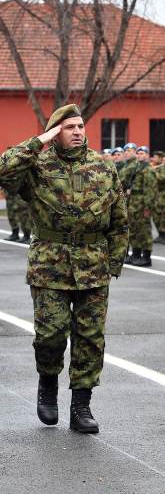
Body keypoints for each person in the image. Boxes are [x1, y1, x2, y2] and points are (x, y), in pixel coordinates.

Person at [0, 104, 129, 433]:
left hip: (93, 266)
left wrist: (114, 260)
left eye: (80, 126)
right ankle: (47, 386)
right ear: (56, 133)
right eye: (68, 127)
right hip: (50, 266)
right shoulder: (38, 167)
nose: (77, 132)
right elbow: (4, 169)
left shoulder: (102, 166)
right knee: (50, 335)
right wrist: (39, 141)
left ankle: (81, 406)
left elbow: (118, 218)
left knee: (90, 339)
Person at [124, 146, 156, 267]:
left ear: (147, 155)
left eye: (142, 153)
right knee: (134, 229)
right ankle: (136, 254)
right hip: (134, 202)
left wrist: (148, 207)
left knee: (144, 230)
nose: (139, 155)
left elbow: (150, 190)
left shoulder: (148, 170)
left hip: (143, 203)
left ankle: (146, 257)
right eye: (138, 153)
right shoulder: (137, 168)